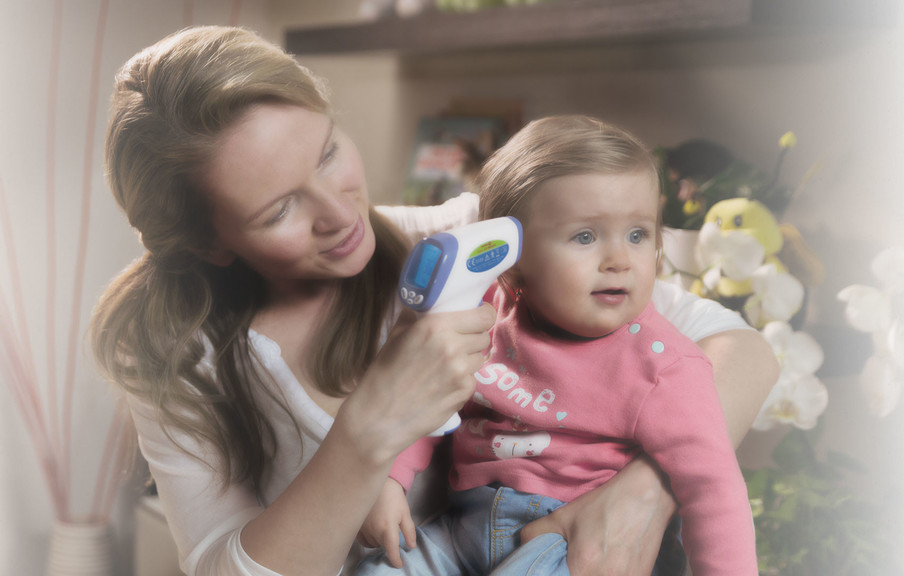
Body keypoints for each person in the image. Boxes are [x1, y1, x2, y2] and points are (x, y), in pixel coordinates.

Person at [89, 26, 778, 576]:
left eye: (328, 153)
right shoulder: (177, 357)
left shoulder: (474, 245)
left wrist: (644, 495)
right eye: (279, 211)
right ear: (212, 244)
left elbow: (738, 348)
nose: (339, 214)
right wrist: (371, 432)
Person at [355, 115, 758, 576]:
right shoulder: (483, 316)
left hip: (565, 544)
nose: (619, 260)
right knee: (377, 570)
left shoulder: (664, 366)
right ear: (513, 261)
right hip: (458, 530)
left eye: (638, 234)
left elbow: (714, 491)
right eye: (585, 236)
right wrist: (391, 479)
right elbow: (429, 401)